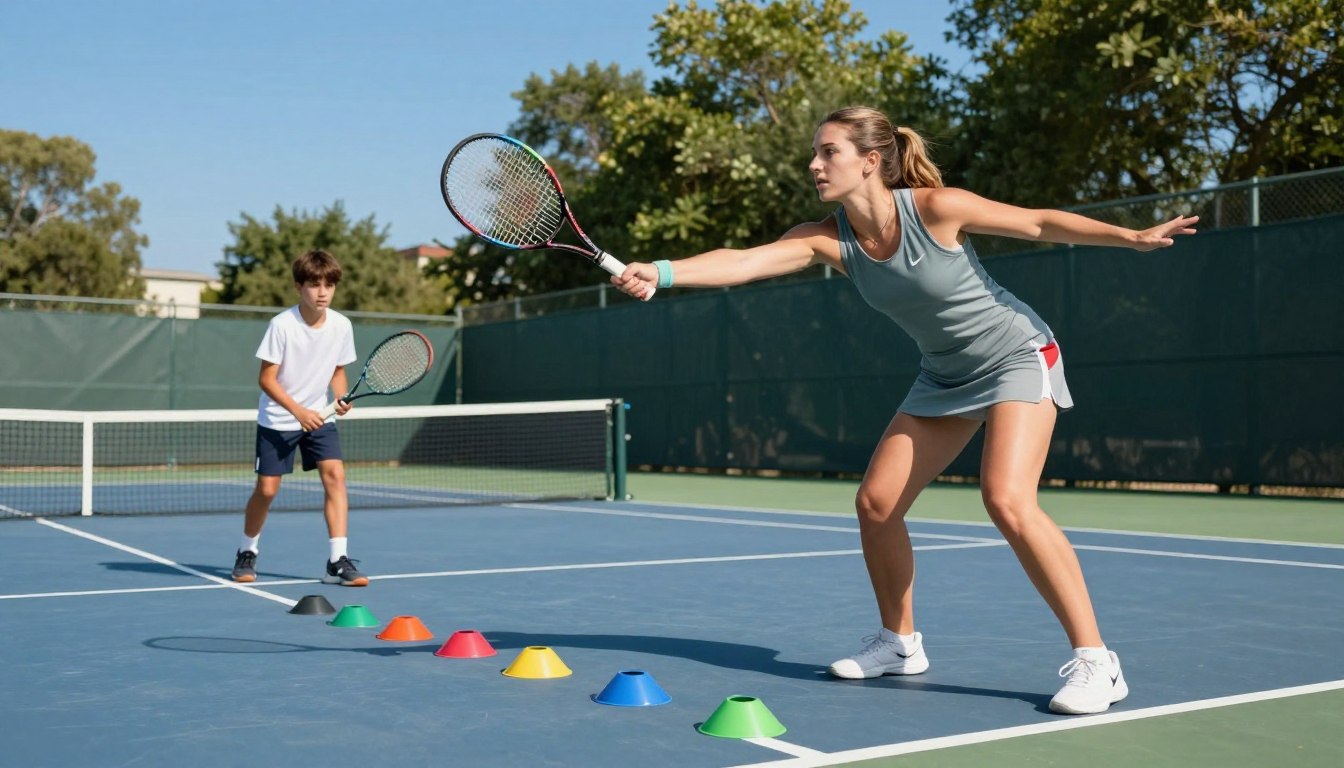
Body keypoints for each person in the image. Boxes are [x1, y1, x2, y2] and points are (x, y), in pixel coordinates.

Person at [611, 105, 1197, 715]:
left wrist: (1130, 236)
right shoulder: (827, 238)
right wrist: (663, 271)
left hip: (1018, 353)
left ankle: (1098, 663)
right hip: (944, 374)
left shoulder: (936, 208)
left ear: (870, 161)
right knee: (877, 504)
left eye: (828, 152)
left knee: (1006, 499)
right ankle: (899, 644)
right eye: (814, 154)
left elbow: (1037, 222)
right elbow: (745, 260)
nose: (814, 164)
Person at [230, 249, 369, 587]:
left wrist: (340, 396)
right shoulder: (282, 325)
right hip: (279, 418)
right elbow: (266, 379)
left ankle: (337, 560)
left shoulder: (341, 325)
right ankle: (247, 551)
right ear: (298, 286)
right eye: (314, 284)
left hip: (320, 417)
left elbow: (338, 371)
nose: (322, 292)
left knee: (335, 475)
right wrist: (298, 412)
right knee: (267, 489)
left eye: (329, 285)